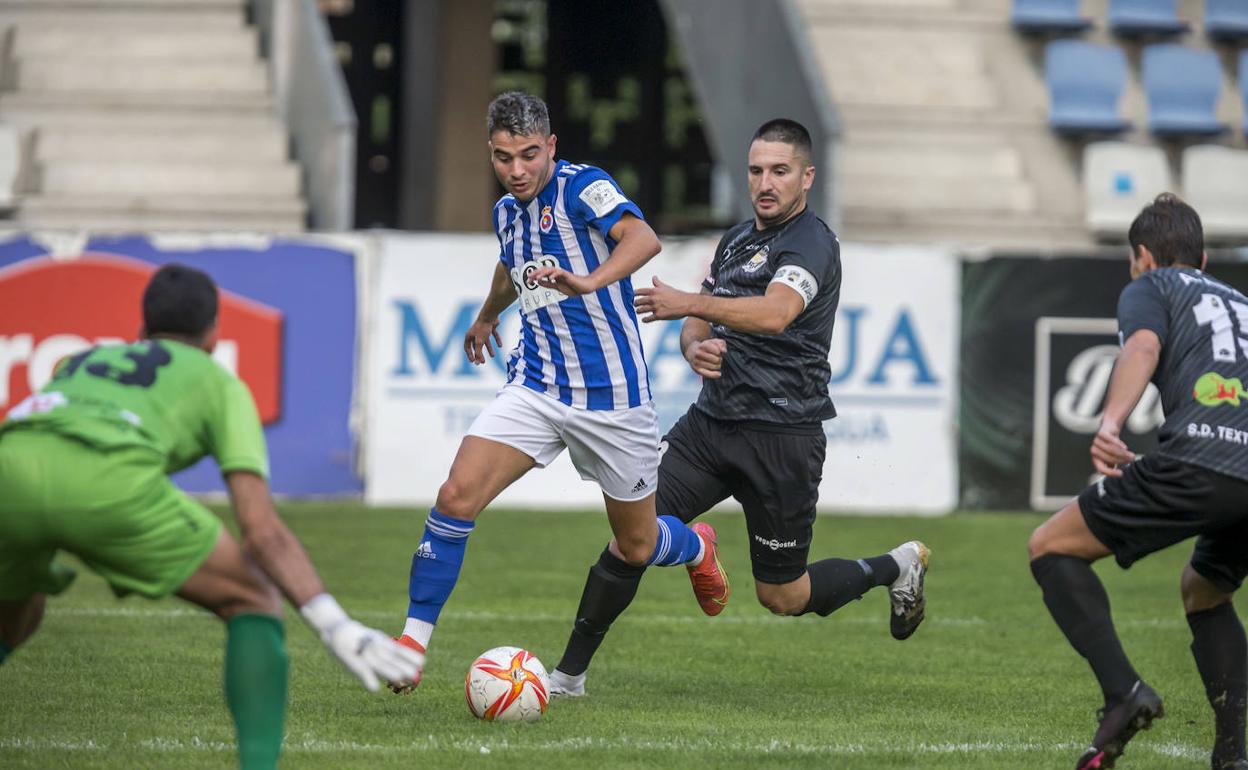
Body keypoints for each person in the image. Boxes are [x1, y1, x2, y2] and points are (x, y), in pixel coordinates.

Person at [546, 118, 931, 698]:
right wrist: (694, 344)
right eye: (756, 171)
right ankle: (567, 678)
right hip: (710, 427)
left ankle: (895, 566)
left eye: (779, 171)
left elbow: (776, 312)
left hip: (782, 436)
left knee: (783, 597)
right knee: (632, 538)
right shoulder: (734, 241)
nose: (765, 183)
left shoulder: (811, 243)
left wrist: (684, 303)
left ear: (807, 177)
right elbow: (699, 323)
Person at [0, 264, 422, 770]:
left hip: (10, 468)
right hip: (105, 482)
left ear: (142, 327)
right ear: (215, 333)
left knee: (20, 607)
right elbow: (261, 532)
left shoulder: (82, 360)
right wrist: (335, 625)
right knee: (253, 598)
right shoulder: (219, 382)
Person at [389, 91, 728, 691]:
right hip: (538, 388)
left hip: (614, 399)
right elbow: (509, 265)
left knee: (638, 541)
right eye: (501, 158)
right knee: (455, 494)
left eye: (526, 155)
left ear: (550, 147)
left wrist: (588, 282)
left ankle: (696, 547)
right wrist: (488, 316)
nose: (516, 171)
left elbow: (643, 239)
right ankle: (411, 645)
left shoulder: (582, 187)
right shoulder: (506, 212)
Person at [1029, 194, 1248, 770]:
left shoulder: (1152, 286)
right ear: (1202, 257)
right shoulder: (1241, 302)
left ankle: (1124, 695)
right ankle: (1232, 755)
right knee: (1206, 590)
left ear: (1142, 258)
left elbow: (1143, 345)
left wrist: (1109, 422)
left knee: (1051, 547)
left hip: (1202, 458)